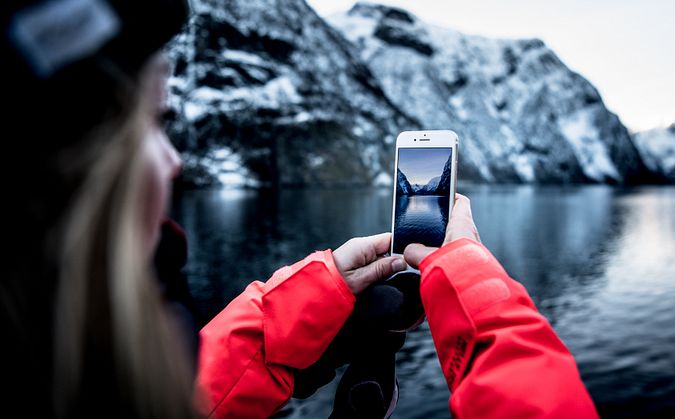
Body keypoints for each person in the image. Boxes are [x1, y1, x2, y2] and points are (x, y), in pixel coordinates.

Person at [1, 1, 598, 418]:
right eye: (154, 126)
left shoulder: (55, 362)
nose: (175, 162)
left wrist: (310, 303)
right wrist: (467, 274)